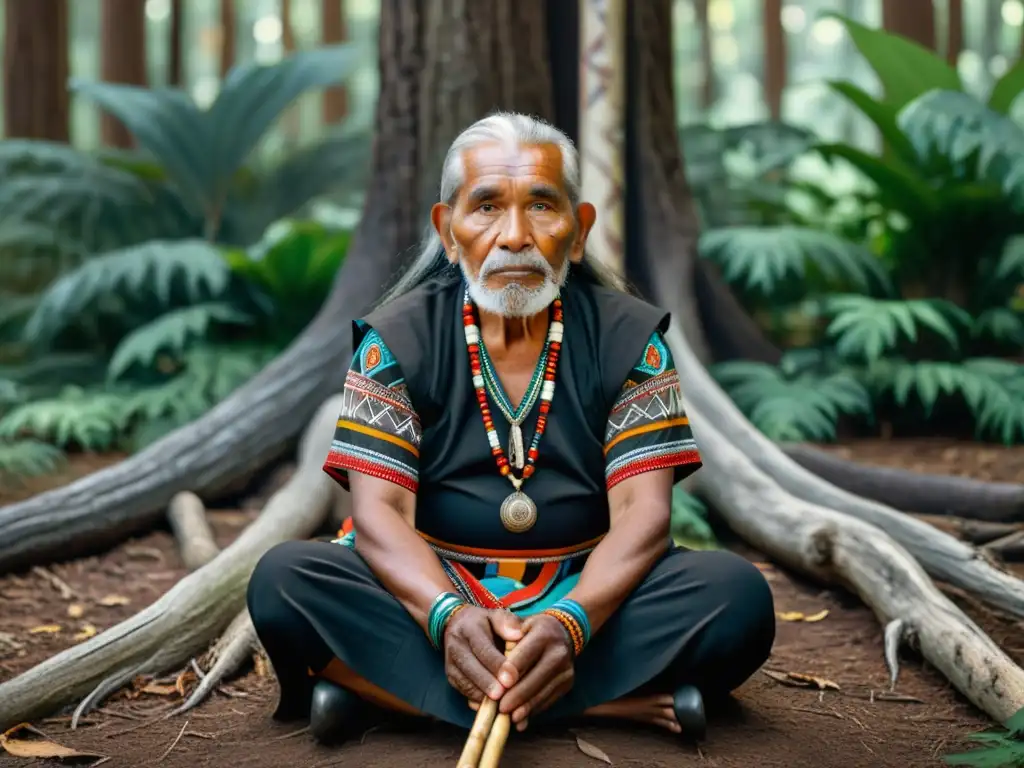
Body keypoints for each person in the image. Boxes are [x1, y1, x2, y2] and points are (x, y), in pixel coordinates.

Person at [246, 112, 775, 746]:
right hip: (433, 596)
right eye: (487, 207)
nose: (515, 237)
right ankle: (604, 705)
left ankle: (387, 697)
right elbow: (379, 513)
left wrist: (569, 624)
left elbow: (643, 514)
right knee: (284, 582)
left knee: (736, 597)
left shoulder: (632, 343)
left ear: (577, 233)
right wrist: (448, 616)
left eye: (542, 208)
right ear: (448, 231)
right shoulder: (394, 341)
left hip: (586, 597)